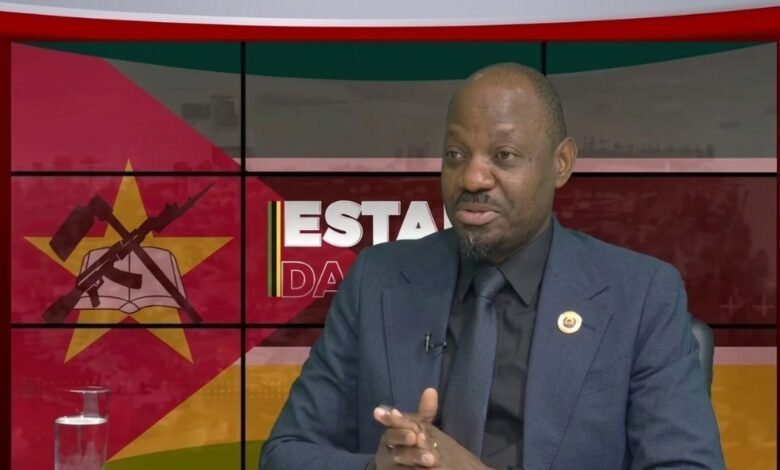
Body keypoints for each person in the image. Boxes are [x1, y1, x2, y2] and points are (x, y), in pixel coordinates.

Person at [260, 63, 725, 469]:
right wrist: (376, 469)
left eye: (503, 156)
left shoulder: (640, 295)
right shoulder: (377, 279)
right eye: (456, 155)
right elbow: (285, 453)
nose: (472, 178)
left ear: (561, 163)